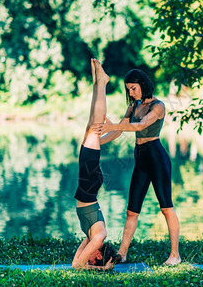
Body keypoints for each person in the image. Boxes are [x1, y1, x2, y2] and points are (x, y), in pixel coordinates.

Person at [92, 69, 181, 265]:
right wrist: (96, 142)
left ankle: (175, 255)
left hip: (156, 157)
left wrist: (113, 126)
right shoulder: (133, 106)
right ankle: (122, 254)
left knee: (166, 207)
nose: (131, 93)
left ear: (143, 85)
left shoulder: (158, 106)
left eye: (133, 88)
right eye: (128, 89)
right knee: (132, 211)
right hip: (140, 158)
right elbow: (117, 132)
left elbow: (140, 126)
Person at [72, 59, 117, 270]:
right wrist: (104, 268)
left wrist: (103, 265)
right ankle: (102, 83)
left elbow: (76, 263)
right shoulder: (99, 236)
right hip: (88, 187)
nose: (88, 257)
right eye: (93, 259)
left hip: (88, 187)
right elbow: (78, 266)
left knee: (91, 128)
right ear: (98, 254)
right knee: (95, 128)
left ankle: (98, 84)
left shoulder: (94, 237)